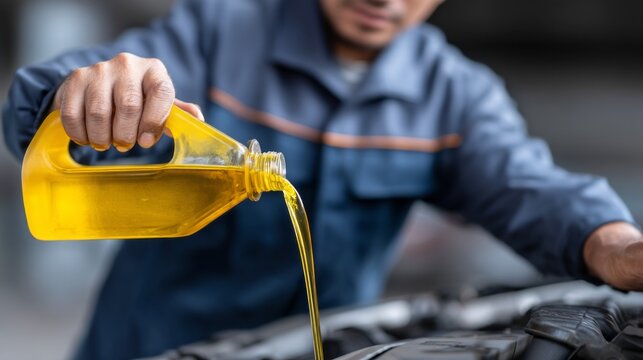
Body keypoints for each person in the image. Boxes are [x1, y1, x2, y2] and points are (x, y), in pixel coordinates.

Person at [3, 0, 643, 359]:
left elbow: (531, 188)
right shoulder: (218, 34)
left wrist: (615, 246)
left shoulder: (453, 97)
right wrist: (83, 94)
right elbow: (46, 101)